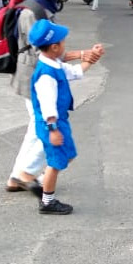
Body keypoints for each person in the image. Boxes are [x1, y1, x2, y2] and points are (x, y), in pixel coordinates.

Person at [5, 0, 104, 195]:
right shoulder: (32, 12)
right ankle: (24, 174)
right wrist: (81, 55)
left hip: (35, 75)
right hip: (34, 78)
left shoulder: (43, 6)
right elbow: (45, 53)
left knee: (35, 130)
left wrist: (82, 58)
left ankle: (17, 176)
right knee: (44, 129)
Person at [28, 19, 96, 215]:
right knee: (56, 162)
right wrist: (53, 130)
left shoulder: (54, 63)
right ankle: (47, 202)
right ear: (55, 47)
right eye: (63, 42)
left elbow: (74, 72)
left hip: (59, 122)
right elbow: (48, 105)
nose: (66, 46)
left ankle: (41, 181)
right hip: (52, 124)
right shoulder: (46, 75)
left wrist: (91, 60)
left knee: (67, 155)